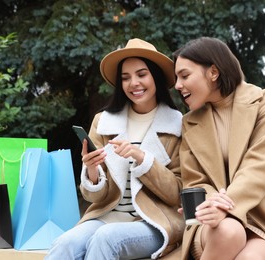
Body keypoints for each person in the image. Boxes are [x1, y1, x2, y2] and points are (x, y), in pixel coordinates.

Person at [45, 38, 184, 260]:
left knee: (106, 238)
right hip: (107, 215)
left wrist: (142, 159)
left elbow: (178, 193)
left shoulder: (177, 125)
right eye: (125, 78)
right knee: (64, 244)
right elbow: (95, 196)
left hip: (154, 221)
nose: (134, 83)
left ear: (156, 76)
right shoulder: (104, 122)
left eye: (141, 74)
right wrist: (91, 170)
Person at [173, 37, 265, 260]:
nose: (177, 85)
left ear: (213, 72)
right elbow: (195, 180)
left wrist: (224, 205)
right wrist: (212, 205)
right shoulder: (190, 122)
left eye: (185, 76)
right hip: (211, 222)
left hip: (262, 221)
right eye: (176, 78)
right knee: (229, 231)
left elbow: (259, 166)